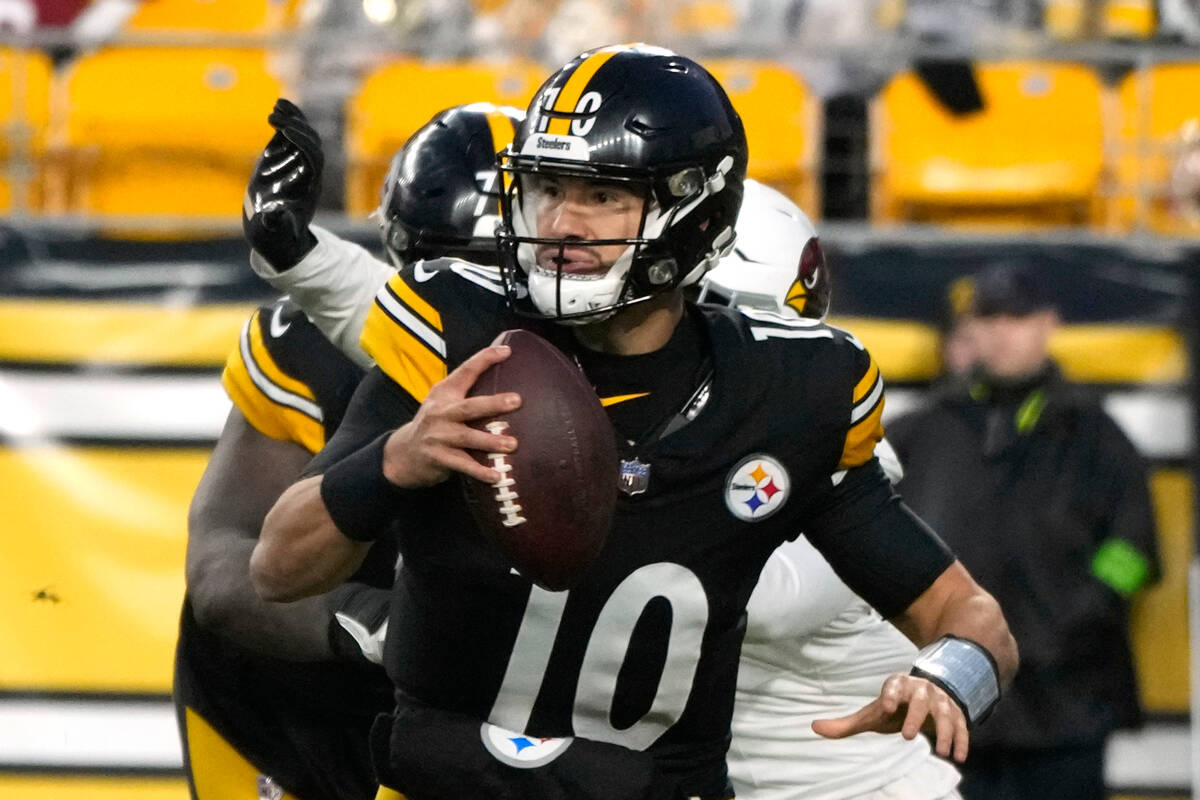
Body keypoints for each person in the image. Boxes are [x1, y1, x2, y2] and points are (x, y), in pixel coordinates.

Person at [250, 45, 1017, 800]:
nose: (562, 223)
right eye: (549, 188)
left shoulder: (789, 393)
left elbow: (965, 613)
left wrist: (947, 678)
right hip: (444, 781)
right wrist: (392, 460)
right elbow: (277, 568)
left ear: (696, 208)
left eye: (602, 195)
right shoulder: (458, 339)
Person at [173, 98, 519, 800]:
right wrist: (374, 622)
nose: (461, 296)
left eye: (491, 271)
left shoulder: (592, 361)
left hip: (459, 718)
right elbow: (221, 570)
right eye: (446, 268)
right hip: (291, 706)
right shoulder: (311, 349)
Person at [887, 262, 1160, 800]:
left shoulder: (1098, 437)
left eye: (1019, 317)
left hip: (1067, 707)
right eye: (990, 318)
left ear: (1048, 324)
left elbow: (1134, 549)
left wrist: (1076, 617)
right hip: (949, 708)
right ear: (973, 331)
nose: (1004, 332)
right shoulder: (921, 432)